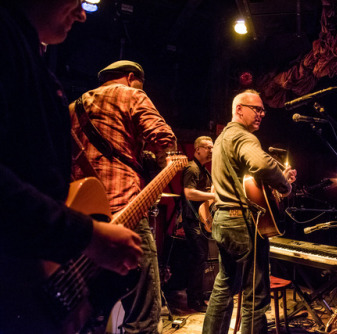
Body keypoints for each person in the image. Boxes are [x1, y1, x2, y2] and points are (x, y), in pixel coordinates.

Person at [0, 2, 143, 333]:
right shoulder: (7, 42)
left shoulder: (34, 60)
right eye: (77, 1)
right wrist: (86, 235)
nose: (82, 14)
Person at [70, 60, 177, 333]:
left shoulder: (73, 107)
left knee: (88, 314)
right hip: (126, 209)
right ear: (131, 78)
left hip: (83, 220)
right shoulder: (130, 94)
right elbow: (164, 138)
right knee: (142, 314)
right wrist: (161, 159)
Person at [202, 90, 297, 334]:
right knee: (255, 297)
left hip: (222, 219)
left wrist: (278, 177)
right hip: (241, 223)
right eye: (257, 109)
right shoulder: (243, 137)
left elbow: (250, 179)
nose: (262, 114)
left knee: (224, 286)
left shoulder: (222, 138)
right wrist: (284, 186)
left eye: (263, 110)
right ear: (239, 109)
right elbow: (262, 164)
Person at [181, 136, 216, 312]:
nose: (211, 151)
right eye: (207, 148)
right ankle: (193, 300)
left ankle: (198, 297)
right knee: (198, 259)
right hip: (191, 220)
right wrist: (213, 196)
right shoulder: (191, 168)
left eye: (212, 148)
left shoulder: (203, 170)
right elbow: (189, 193)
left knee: (200, 260)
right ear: (197, 150)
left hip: (200, 221)